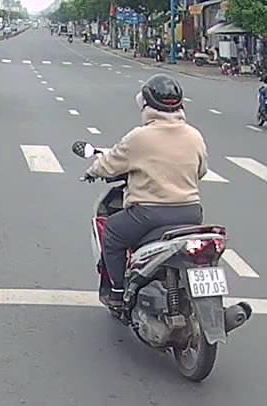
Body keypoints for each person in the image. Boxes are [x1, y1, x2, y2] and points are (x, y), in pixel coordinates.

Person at [84, 74, 208, 311]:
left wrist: (92, 170)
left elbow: (108, 164)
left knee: (112, 232)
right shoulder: (194, 135)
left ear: (146, 105)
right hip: (191, 213)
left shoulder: (139, 137)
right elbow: (201, 171)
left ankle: (117, 292)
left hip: (149, 214)